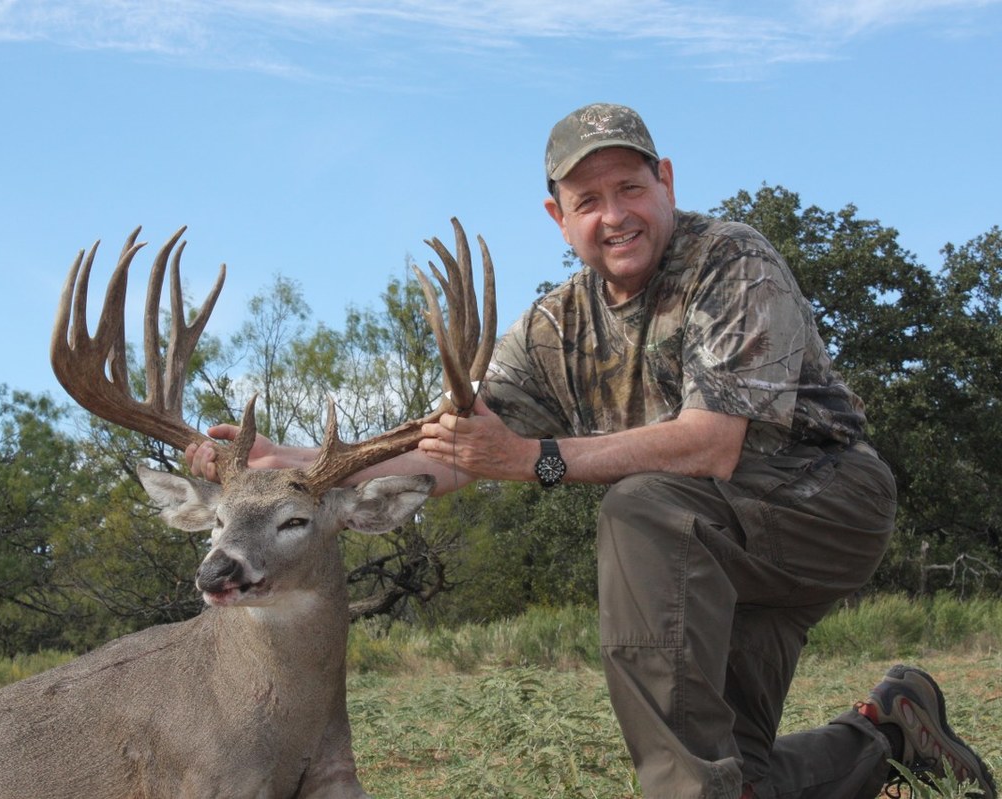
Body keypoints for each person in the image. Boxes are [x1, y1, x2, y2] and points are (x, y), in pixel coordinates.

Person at [186, 103, 996, 799]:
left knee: (643, 506)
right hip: (721, 550)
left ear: (666, 182)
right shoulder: (555, 326)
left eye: (631, 188)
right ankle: (891, 728)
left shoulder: (731, 261)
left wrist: (536, 456)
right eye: (589, 198)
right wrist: (281, 460)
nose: (615, 213)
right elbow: (453, 450)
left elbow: (713, 444)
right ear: (558, 217)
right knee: (738, 775)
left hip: (826, 504)